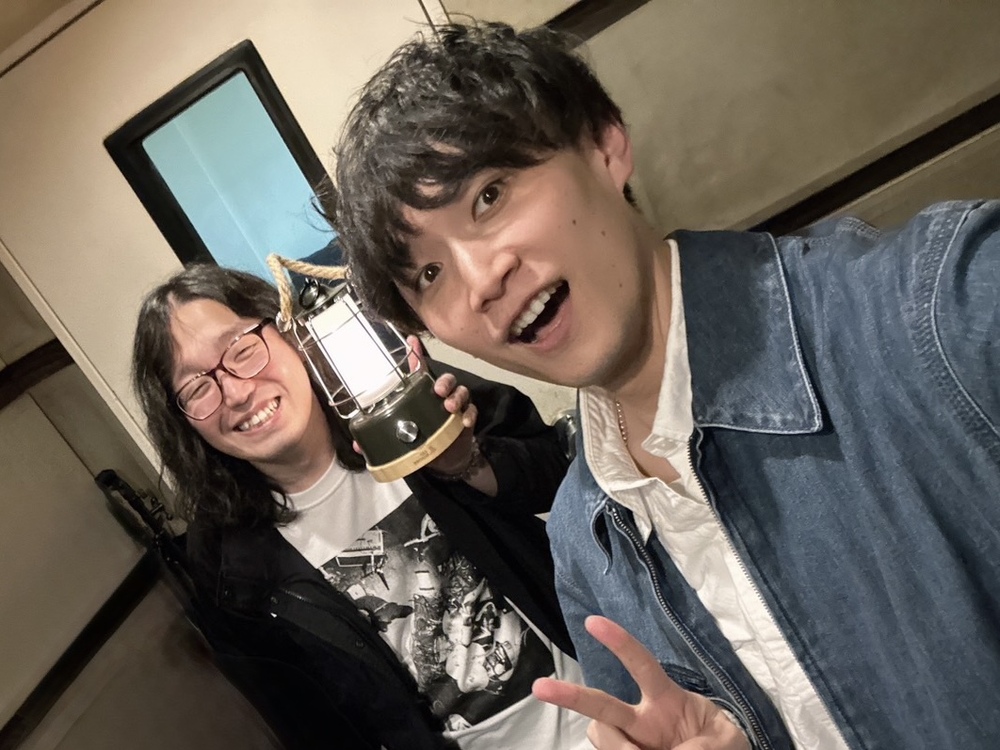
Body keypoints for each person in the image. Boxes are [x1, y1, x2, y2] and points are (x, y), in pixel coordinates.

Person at [330, 19, 1000, 750]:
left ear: (604, 145)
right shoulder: (587, 549)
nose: (481, 279)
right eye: (430, 273)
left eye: (489, 197)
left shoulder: (943, 310)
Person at [130, 263, 593, 750]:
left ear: (286, 331)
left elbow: (558, 473)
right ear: (184, 425)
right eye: (197, 388)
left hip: (606, 691)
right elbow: (308, 724)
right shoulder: (229, 563)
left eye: (242, 350)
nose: (237, 392)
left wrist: (466, 462)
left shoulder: (397, 396)